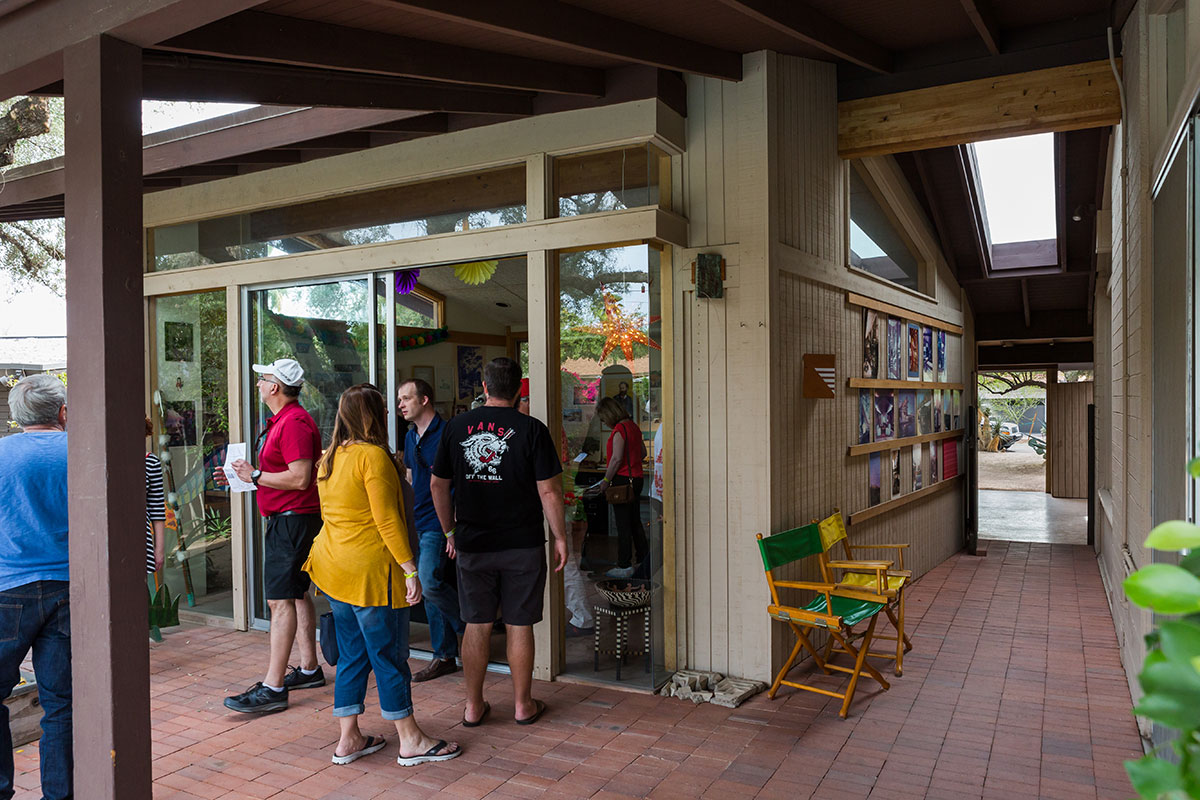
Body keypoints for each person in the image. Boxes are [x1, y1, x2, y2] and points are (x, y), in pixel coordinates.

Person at [304, 384, 460, 767]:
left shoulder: (330, 457)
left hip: (334, 569)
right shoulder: (372, 457)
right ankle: (410, 739)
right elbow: (387, 521)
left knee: (354, 655)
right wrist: (410, 570)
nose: (393, 414)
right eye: (386, 409)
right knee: (389, 655)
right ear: (374, 415)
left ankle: (349, 739)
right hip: (372, 573)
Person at [430, 358, 567, 727]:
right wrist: (560, 536)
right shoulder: (532, 429)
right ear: (519, 390)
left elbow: (437, 485)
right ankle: (523, 705)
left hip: (473, 542)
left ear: (485, 388)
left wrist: (449, 532)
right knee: (520, 624)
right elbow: (550, 492)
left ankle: (473, 707)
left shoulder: (456, 427)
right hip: (521, 543)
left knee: (477, 623)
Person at [217, 357, 326, 713]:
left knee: (279, 601)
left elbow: (299, 478)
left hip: (291, 522)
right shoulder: (287, 420)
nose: (259, 384)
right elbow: (279, 474)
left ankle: (273, 687)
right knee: (296, 595)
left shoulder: (293, 423)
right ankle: (309, 668)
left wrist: (256, 475)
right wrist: (242, 476)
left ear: (275, 387)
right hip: (292, 519)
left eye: (263, 379)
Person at [0, 375, 71, 800]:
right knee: (61, 704)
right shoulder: (81, 451)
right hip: (69, 588)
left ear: (15, 416)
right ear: (62, 412)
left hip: (8, 587)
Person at [397, 378, 464, 682]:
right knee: (430, 587)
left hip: (440, 523)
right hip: (419, 521)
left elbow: (461, 484)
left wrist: (453, 528)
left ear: (424, 400)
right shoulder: (411, 437)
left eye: (406, 398)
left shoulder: (448, 432)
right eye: (400, 399)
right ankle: (445, 654)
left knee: (429, 582)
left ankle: (471, 627)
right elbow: (411, 478)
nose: (401, 405)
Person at [515, 379, 593, 638]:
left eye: (522, 400)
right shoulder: (545, 426)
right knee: (563, 561)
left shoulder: (537, 429)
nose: (519, 406)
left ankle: (582, 616)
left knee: (565, 562)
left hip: (555, 503)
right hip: (561, 500)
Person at [587, 397, 648, 579]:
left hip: (622, 481)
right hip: (636, 479)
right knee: (635, 522)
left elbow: (616, 459)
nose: (604, 422)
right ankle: (643, 560)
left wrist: (606, 480)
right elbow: (643, 453)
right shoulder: (633, 426)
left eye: (603, 418)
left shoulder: (620, 429)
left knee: (623, 524)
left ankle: (624, 565)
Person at [145, 417, 168, 641]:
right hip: (112, 533)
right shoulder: (111, 459)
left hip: (141, 536)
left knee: (142, 585)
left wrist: (159, 549)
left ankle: (151, 630)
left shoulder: (151, 462)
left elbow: (157, 508)